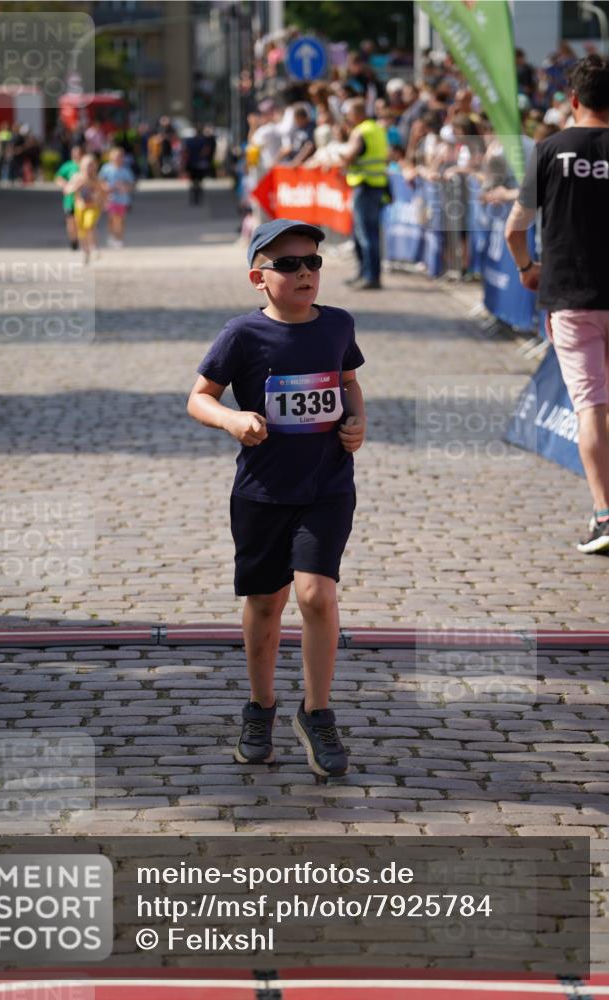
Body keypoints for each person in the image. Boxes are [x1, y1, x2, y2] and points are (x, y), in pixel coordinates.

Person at [187, 219, 366, 777]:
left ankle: (316, 711)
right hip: (262, 492)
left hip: (327, 486)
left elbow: (349, 380)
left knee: (315, 595)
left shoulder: (338, 324)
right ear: (258, 278)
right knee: (267, 604)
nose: (305, 272)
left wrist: (358, 419)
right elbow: (198, 398)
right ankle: (260, 707)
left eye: (313, 261)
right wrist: (232, 419)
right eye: (288, 264)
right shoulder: (241, 334)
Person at [505, 53, 609, 554]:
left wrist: (527, 268)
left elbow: (514, 227)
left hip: (570, 296)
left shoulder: (549, 151)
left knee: (591, 407)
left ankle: (605, 514)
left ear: (572, 101)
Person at [340, 97, 389, 289]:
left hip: (364, 185)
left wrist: (339, 153)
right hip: (377, 185)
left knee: (364, 234)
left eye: (349, 113)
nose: (347, 117)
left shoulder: (360, 131)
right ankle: (367, 274)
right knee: (370, 233)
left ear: (357, 113)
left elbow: (349, 157)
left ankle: (369, 276)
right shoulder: (376, 128)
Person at [66, 154, 105, 263]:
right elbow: (67, 190)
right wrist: (76, 186)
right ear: (81, 166)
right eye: (86, 165)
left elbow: (103, 191)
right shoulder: (77, 177)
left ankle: (94, 247)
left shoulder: (97, 178)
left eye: (91, 165)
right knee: (81, 231)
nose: (89, 168)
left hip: (93, 207)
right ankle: (85, 251)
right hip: (80, 207)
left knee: (89, 225)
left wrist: (102, 201)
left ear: (95, 166)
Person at [99, 145, 135, 247]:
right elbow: (100, 181)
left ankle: (119, 237)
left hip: (123, 199)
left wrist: (125, 187)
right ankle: (113, 236)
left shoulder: (126, 169)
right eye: (115, 156)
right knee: (113, 218)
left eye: (120, 156)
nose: (118, 158)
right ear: (110, 157)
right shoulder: (106, 168)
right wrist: (105, 188)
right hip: (110, 198)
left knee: (121, 219)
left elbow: (131, 183)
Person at [55, 144, 83, 250]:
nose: (77, 155)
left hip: (82, 200)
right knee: (70, 222)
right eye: (75, 153)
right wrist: (65, 185)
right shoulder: (67, 166)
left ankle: (82, 240)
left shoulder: (85, 165)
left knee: (79, 221)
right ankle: (73, 240)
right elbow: (58, 177)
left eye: (79, 153)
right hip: (69, 200)